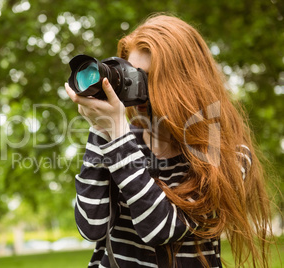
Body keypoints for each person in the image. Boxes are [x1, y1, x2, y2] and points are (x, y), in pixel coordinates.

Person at [65, 14, 272, 268]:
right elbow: (92, 226)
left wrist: (118, 137)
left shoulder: (230, 155)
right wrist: (101, 128)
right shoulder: (119, 139)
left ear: (185, 83)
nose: (136, 89)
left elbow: (161, 229)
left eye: (149, 78)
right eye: (131, 75)